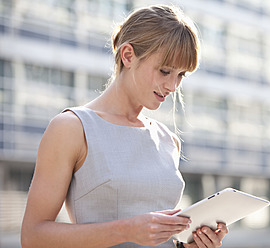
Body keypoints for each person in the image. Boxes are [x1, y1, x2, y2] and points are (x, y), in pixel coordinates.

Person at [21, 4, 228, 248]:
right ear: (128, 55)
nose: (173, 86)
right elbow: (33, 237)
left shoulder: (168, 140)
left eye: (181, 75)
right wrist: (126, 230)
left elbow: (158, 237)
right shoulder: (71, 128)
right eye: (165, 71)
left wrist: (189, 245)